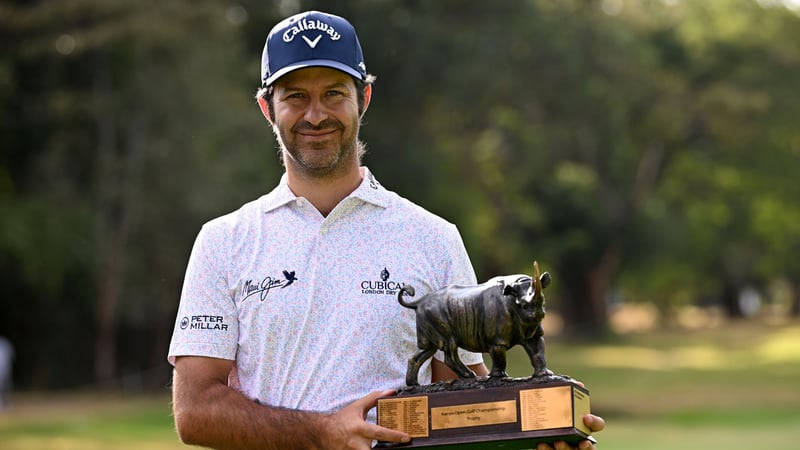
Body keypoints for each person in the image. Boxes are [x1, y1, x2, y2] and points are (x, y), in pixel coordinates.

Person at [168, 10, 604, 450]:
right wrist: (320, 434)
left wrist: (539, 435)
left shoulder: (432, 237)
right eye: (295, 96)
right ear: (267, 108)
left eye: (334, 93)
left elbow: (465, 407)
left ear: (364, 98)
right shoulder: (223, 241)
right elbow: (195, 411)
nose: (315, 115)